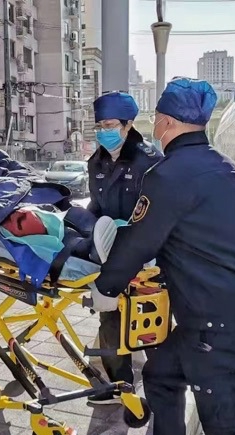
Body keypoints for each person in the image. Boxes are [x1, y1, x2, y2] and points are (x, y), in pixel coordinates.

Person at [85, 78, 235, 435]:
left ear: (167, 122)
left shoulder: (169, 175)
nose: (154, 125)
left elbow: (138, 241)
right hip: (227, 312)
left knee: (227, 425)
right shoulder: (227, 170)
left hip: (217, 325)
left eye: (157, 118)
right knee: (161, 374)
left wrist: (105, 288)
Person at [85, 91, 163, 405]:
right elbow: (96, 205)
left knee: (150, 319)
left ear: (128, 125)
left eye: (110, 125)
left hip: (147, 253)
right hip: (111, 252)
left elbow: (161, 210)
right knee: (110, 316)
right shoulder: (96, 162)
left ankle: (164, 385)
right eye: (99, 126)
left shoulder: (150, 160)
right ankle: (120, 386)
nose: (103, 131)